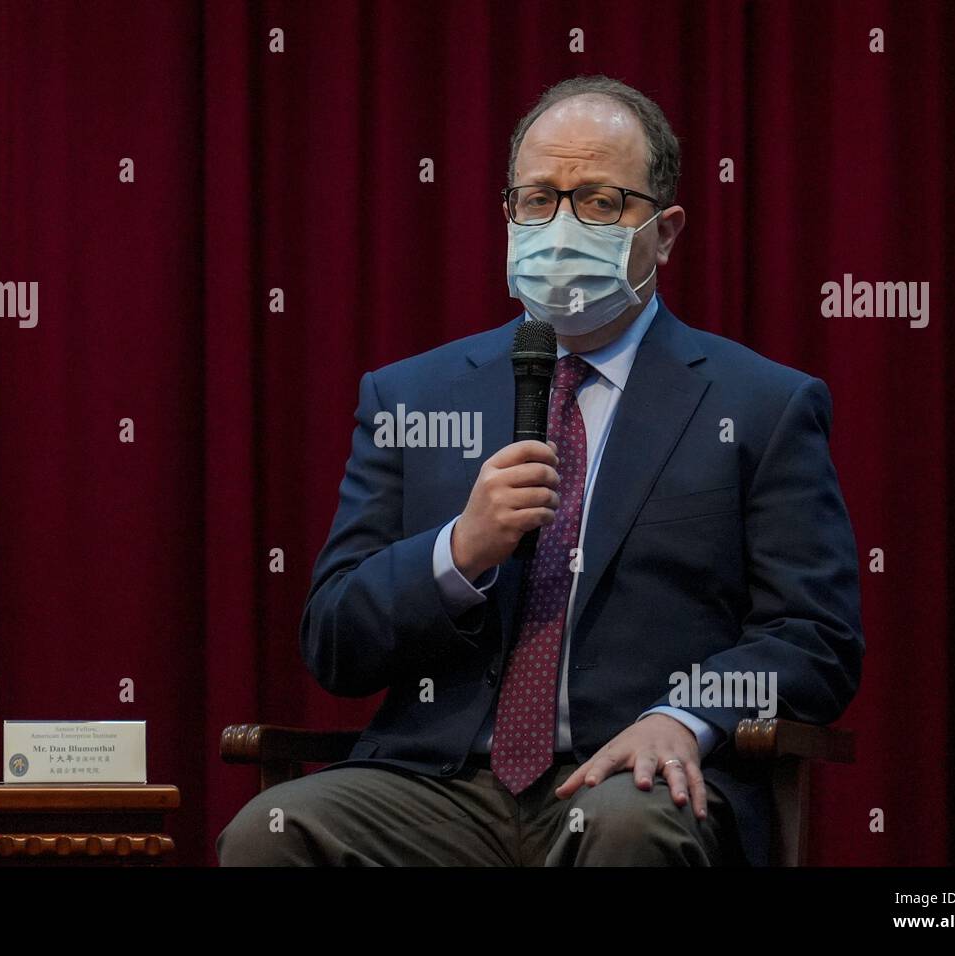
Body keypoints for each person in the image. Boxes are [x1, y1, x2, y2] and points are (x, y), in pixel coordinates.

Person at [217, 74, 863, 866]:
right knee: (269, 835)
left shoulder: (762, 403)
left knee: (631, 826)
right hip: (438, 784)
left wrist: (685, 715)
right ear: (508, 215)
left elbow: (814, 637)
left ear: (664, 232)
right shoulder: (411, 395)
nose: (561, 226)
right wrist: (457, 553)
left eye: (598, 201)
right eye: (537, 199)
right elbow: (334, 642)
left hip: (633, 775)